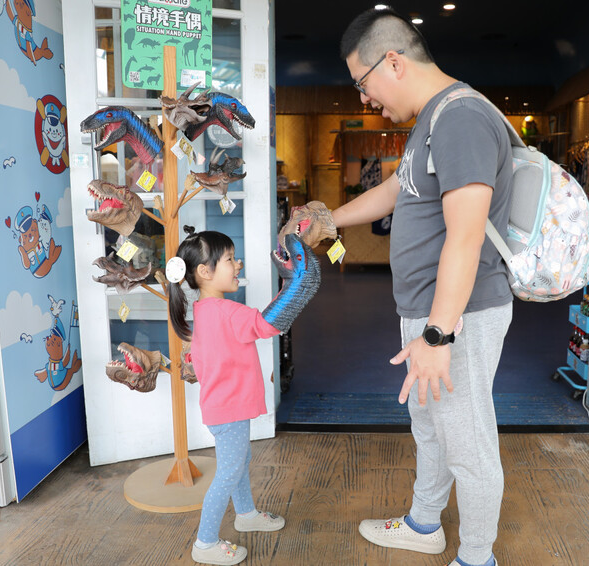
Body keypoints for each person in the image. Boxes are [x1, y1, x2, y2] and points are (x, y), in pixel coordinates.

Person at [288, 8, 515, 566]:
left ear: (393, 61)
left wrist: (438, 336)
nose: (363, 99)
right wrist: (329, 221)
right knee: (433, 427)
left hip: (457, 315)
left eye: (362, 83)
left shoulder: (460, 118)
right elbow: (397, 190)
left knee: (468, 439)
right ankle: (422, 525)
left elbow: (464, 238)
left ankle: (477, 558)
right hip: (429, 313)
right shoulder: (431, 120)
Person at [168, 227, 286, 566]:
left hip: (223, 407)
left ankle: (246, 513)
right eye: (231, 259)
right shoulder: (228, 313)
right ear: (205, 272)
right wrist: (295, 286)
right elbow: (269, 325)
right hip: (230, 409)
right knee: (229, 472)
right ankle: (204, 542)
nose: (238, 264)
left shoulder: (206, 311)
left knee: (239, 462)